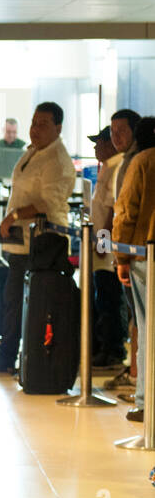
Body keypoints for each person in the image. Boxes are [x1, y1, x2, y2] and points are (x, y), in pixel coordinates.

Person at [0, 101, 77, 374]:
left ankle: (14, 356)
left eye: (43, 124)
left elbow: (46, 203)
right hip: (21, 242)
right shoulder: (33, 151)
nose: (35, 129)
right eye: (33, 123)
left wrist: (15, 216)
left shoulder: (57, 159)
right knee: (13, 299)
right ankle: (9, 354)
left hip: (42, 242)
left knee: (22, 302)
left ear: (58, 127)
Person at [113, 116, 155, 423]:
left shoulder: (142, 162)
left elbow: (126, 211)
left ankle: (145, 402)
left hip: (144, 257)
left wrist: (121, 258)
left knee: (146, 329)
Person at [88, 126, 127, 368]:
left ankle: (112, 349)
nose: (96, 147)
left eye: (100, 142)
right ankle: (105, 346)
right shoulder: (108, 167)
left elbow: (113, 210)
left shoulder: (117, 167)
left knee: (109, 299)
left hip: (108, 248)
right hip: (102, 246)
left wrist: (103, 242)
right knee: (102, 297)